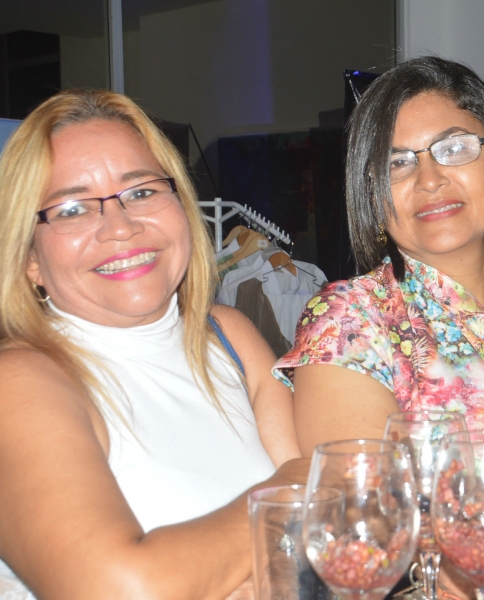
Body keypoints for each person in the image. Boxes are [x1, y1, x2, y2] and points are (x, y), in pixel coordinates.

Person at [0, 89, 306, 600]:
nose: (121, 227)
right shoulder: (21, 383)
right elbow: (116, 588)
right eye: (72, 208)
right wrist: (292, 488)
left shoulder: (228, 336)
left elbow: (329, 531)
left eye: (141, 191)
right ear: (29, 258)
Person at [273, 56, 484, 512]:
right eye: (397, 163)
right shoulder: (351, 322)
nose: (429, 179)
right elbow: (377, 514)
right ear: (371, 194)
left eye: (454, 149)